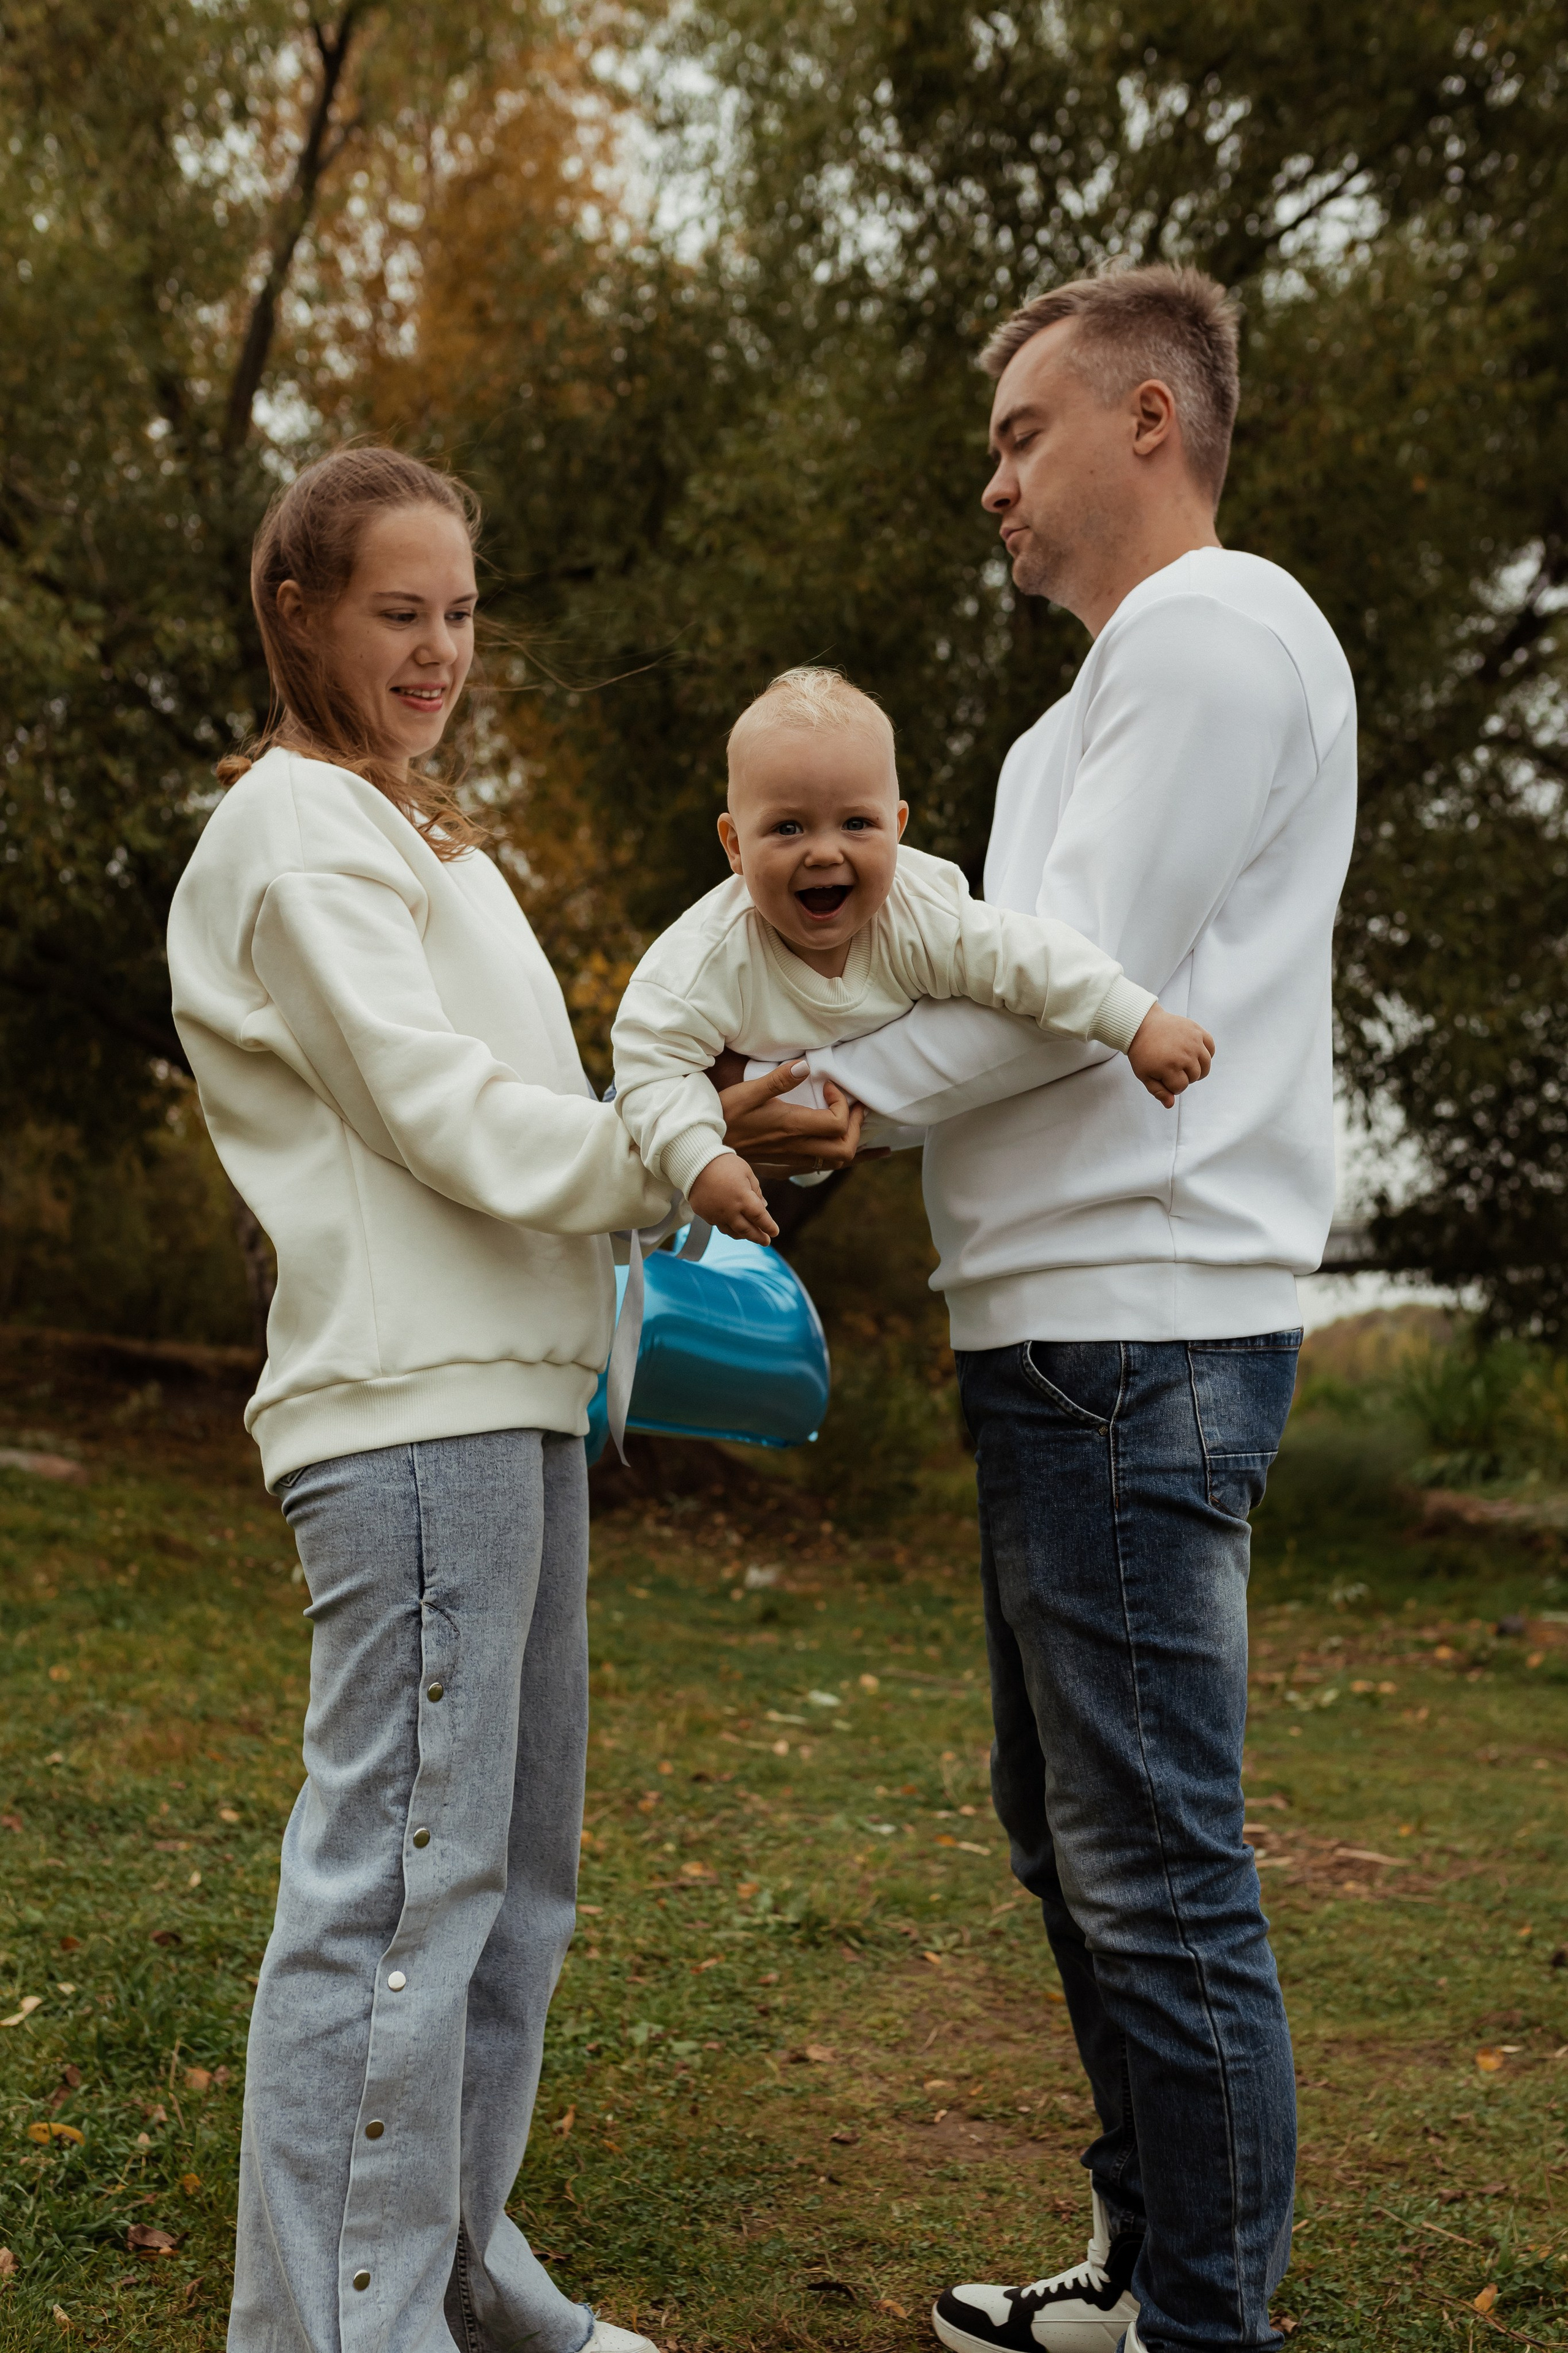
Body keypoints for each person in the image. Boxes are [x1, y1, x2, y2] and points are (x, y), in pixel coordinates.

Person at [164, 446, 830, 2353]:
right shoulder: (295, 835)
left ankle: (456, 2268)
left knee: (508, 1888)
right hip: (406, 1415)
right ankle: (332, 2325)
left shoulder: (416, 835)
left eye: (461, 611)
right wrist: (674, 1149)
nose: (442, 647)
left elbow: (558, 1103)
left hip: (514, 1402)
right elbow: (438, 1115)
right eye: (400, 610)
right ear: (299, 611)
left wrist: (735, 1118)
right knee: (395, 1897)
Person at [811, 267, 1357, 2353]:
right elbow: (994, 987)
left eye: (1022, 436)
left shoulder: (1217, 633)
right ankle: (1148, 2273)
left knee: (1155, 1868)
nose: (994, 483)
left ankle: (1209, 2327)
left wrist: (818, 1113)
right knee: (1079, 1842)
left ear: (1150, 418)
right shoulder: (1082, 709)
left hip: (1143, 1330)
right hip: (1055, 1330)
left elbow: (1071, 1008)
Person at [609, 666, 1214, 1245]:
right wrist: (700, 1160)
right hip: (686, 1117)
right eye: (788, 828)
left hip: (805, 1113)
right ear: (735, 845)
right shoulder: (701, 961)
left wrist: (1137, 1021)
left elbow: (1027, 960)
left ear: (898, 827)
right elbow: (649, 1063)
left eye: (855, 823)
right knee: (638, 1128)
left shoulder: (919, 914)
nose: (824, 852)